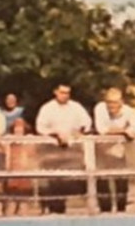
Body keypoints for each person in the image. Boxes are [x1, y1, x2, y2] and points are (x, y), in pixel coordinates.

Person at [34, 84, 92, 213]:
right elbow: (40, 127)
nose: (65, 95)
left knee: (73, 183)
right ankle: (54, 209)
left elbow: (86, 123)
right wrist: (55, 134)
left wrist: (80, 131)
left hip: (72, 153)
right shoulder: (47, 108)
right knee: (54, 183)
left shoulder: (76, 107)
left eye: (67, 93)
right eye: (62, 92)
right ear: (55, 92)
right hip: (53, 153)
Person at [92, 87, 135, 213]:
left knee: (121, 180)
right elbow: (101, 129)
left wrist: (127, 131)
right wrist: (124, 131)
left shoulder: (129, 111)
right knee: (102, 180)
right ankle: (105, 210)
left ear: (121, 102)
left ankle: (121, 209)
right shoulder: (100, 108)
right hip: (102, 150)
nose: (111, 106)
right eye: (109, 102)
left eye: (115, 102)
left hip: (119, 150)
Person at [3, 116, 39, 215]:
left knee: (24, 202)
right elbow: (6, 150)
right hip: (13, 172)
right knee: (12, 202)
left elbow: (32, 154)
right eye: (16, 126)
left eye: (21, 126)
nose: (18, 129)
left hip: (24, 172)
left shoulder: (28, 140)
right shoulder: (10, 141)